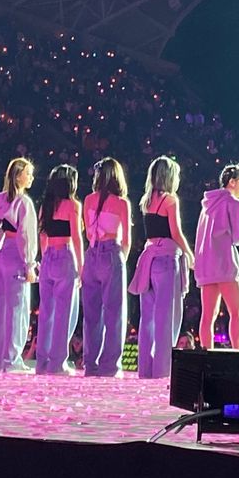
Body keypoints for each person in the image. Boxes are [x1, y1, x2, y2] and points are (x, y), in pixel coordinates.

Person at [129, 156, 194, 378]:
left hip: (148, 260)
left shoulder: (146, 200)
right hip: (166, 259)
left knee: (147, 318)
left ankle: (145, 369)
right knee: (166, 317)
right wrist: (189, 253)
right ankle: (163, 370)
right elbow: (175, 232)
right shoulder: (170, 200)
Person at [195, 164, 239, 349]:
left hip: (206, 266)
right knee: (237, 312)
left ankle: (206, 353)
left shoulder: (206, 206)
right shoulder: (234, 203)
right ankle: (238, 354)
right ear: (232, 182)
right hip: (226, 264)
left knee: (208, 316)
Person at [0, 158, 38, 373]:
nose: (31, 177)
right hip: (16, 254)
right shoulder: (23, 202)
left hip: (0, 254)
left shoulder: (0, 202)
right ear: (18, 176)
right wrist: (29, 264)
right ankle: (12, 359)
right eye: (28, 173)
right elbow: (26, 235)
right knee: (18, 309)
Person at [81, 157, 131, 377]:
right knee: (114, 313)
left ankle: (90, 364)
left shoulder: (88, 200)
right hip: (111, 253)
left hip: (91, 253)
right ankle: (110, 366)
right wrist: (121, 260)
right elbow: (127, 239)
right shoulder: (121, 203)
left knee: (91, 314)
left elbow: (88, 233)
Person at [36, 164, 84, 375]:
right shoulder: (72, 205)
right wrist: (82, 266)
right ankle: (58, 362)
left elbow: (42, 235)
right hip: (65, 255)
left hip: (47, 256)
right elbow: (76, 237)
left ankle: (42, 362)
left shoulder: (45, 206)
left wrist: (45, 255)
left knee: (46, 312)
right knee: (64, 312)